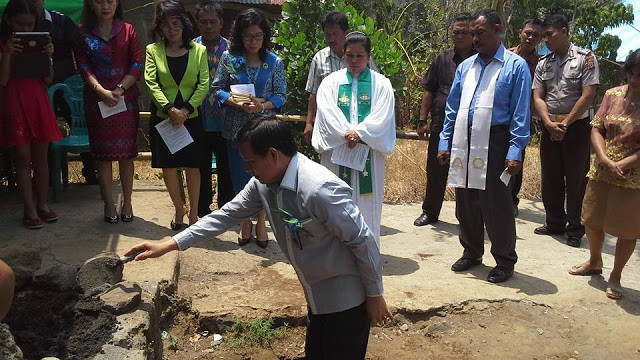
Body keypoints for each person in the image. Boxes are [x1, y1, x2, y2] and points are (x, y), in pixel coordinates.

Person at [125, 117, 392, 359]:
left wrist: (375, 295)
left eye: (250, 161)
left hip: (346, 302)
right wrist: (169, 244)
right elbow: (225, 215)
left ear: (273, 155)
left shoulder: (319, 189)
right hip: (317, 296)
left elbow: (362, 240)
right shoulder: (263, 183)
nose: (246, 168)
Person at [437, 9, 531, 283]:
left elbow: (520, 113)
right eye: (472, 34)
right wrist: (445, 141)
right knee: (465, 200)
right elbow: (452, 108)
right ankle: (471, 251)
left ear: (497, 29)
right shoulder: (466, 67)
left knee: (496, 204)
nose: (474, 39)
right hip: (464, 141)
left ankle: (504, 261)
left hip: (496, 141)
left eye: (480, 33)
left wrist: (515, 151)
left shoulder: (515, 66)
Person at [568, 49, 640, 300]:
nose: (634, 80)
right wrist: (605, 159)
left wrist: (623, 164)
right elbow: (596, 129)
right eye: (631, 73)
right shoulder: (612, 95)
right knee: (591, 219)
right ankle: (594, 261)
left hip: (631, 178)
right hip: (601, 169)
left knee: (627, 230)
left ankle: (616, 275)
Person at [313, 31, 396, 248]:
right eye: (350, 56)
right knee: (336, 200)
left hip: (368, 153)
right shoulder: (331, 83)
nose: (355, 61)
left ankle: (366, 252)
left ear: (369, 56)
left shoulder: (382, 84)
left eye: (360, 56)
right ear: (343, 55)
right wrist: (345, 133)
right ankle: (336, 252)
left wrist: (360, 133)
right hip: (337, 153)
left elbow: (383, 115)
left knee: (367, 204)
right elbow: (326, 113)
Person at [212, 8, 286, 248]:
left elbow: (280, 96)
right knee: (240, 176)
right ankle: (245, 222)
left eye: (258, 36)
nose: (253, 41)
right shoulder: (229, 59)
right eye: (247, 36)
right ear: (238, 36)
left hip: (265, 130)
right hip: (236, 128)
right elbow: (217, 89)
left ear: (265, 36)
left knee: (265, 177)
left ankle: (262, 221)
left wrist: (261, 105)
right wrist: (238, 102)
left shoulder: (275, 63)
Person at [532, 14, 599, 248]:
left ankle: (575, 228)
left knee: (576, 178)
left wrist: (566, 123)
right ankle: (554, 222)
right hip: (550, 126)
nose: (545, 40)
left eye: (549, 35)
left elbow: (588, 95)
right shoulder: (544, 62)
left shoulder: (585, 58)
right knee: (550, 176)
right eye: (543, 36)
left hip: (577, 127)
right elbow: (538, 96)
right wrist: (549, 123)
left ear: (564, 30)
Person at [145, 0, 209, 229]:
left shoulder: (199, 50)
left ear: (183, 23)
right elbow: (151, 83)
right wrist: (170, 109)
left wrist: (185, 110)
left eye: (176, 23)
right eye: (166, 24)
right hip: (165, 118)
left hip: (190, 117)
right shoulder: (153, 50)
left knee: (194, 166)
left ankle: (194, 214)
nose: (172, 28)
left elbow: (204, 84)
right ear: (159, 27)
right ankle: (179, 208)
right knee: (169, 166)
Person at [78, 0, 143, 223]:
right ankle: (108, 203)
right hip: (97, 102)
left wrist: (119, 89)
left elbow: (137, 64)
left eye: (110, 1)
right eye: (99, 1)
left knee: (127, 155)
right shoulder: (84, 33)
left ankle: (127, 201)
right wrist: (101, 91)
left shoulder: (128, 30)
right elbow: (83, 65)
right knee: (103, 157)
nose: (105, 6)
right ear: (91, 5)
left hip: (126, 100)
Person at [0, 0, 61, 229]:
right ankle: (29, 208)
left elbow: (47, 78)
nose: (26, 29)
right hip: (15, 100)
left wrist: (48, 55)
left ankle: (43, 204)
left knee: (41, 157)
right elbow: (3, 80)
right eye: (20, 25)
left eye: (30, 24)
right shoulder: (3, 44)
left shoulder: (38, 41)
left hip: (38, 99)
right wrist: (7, 53)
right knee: (23, 159)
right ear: (8, 21)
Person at [414, 13, 475, 227]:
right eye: (455, 32)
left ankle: (467, 217)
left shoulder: (481, 60)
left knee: (467, 172)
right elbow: (429, 91)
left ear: (473, 33)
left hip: (471, 127)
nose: (458, 36)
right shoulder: (442, 59)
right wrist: (422, 120)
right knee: (436, 170)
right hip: (442, 124)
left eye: (463, 32)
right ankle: (430, 213)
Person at [31, 0, 98, 184]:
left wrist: (82, 81)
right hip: (36, 86)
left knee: (80, 124)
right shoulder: (21, 24)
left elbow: (79, 52)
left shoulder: (61, 21)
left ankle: (91, 172)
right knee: (43, 132)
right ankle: (51, 178)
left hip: (67, 86)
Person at [303, 11, 378, 143]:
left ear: (346, 33)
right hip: (330, 126)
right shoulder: (319, 59)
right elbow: (313, 93)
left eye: (335, 34)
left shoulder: (362, 57)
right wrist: (309, 123)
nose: (331, 39)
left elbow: (376, 86)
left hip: (359, 124)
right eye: (327, 35)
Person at [192, 0, 234, 218]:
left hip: (225, 119)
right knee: (201, 165)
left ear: (221, 23)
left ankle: (225, 208)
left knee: (226, 166)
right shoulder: (190, 48)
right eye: (204, 22)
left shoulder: (232, 49)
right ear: (197, 23)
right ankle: (201, 207)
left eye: (212, 22)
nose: (208, 26)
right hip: (197, 118)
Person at [508, 18, 542, 216]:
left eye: (535, 35)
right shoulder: (506, 55)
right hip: (500, 114)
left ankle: (512, 200)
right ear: (520, 32)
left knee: (517, 158)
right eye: (528, 32)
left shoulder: (540, 63)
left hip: (522, 118)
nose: (530, 37)